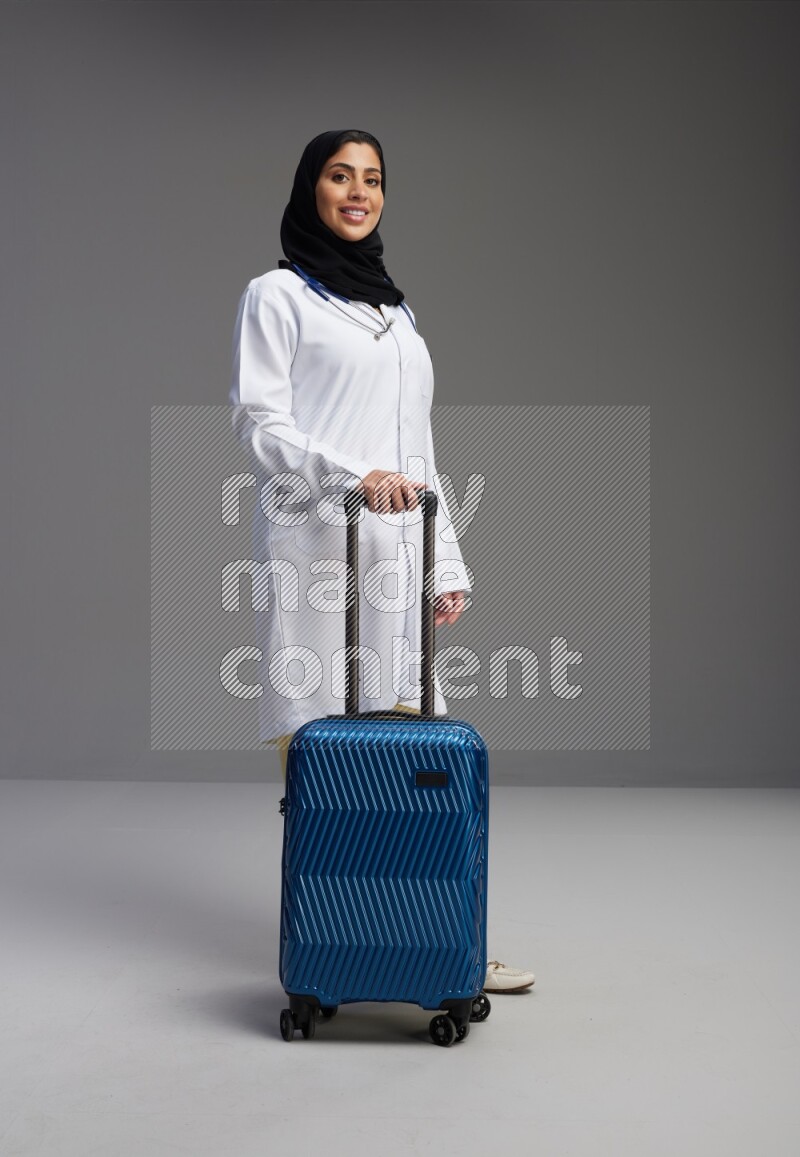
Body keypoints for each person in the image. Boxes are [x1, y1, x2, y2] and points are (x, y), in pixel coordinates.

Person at [229, 129, 534, 995]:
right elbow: (259, 422)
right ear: (310, 188)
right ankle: (334, 952)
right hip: (319, 553)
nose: (357, 192)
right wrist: (348, 478)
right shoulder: (277, 295)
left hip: (400, 555)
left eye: (371, 179)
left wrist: (446, 563)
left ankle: (445, 944)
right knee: (329, 768)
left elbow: (419, 445)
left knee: (421, 765)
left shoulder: (395, 312)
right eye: (339, 176)